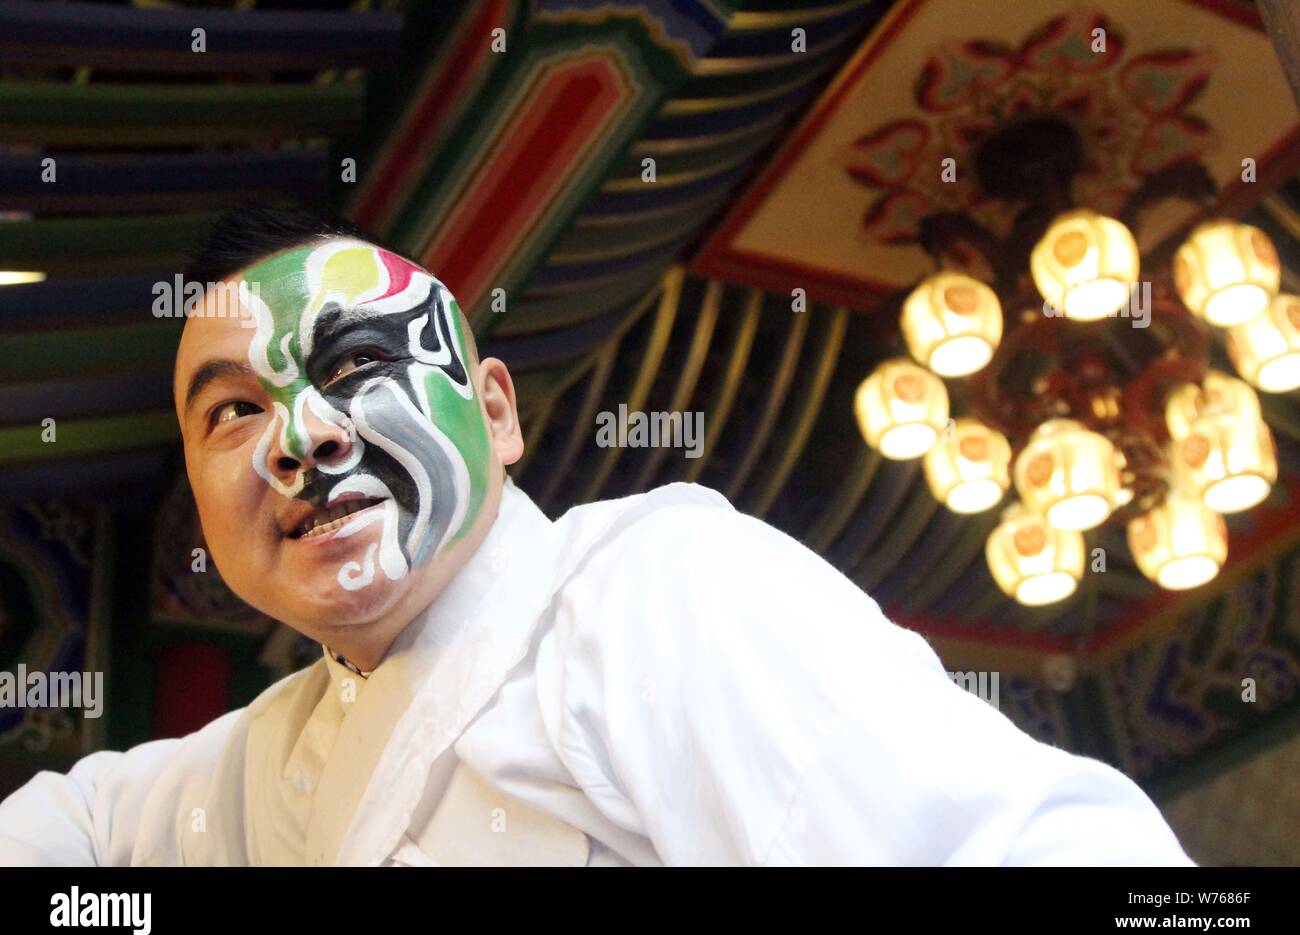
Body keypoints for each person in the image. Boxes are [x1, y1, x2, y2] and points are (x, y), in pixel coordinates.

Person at [0, 208, 1195, 866]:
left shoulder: (655, 595)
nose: (300, 439)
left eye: (357, 366)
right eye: (234, 411)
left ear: (501, 412)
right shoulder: (259, 767)